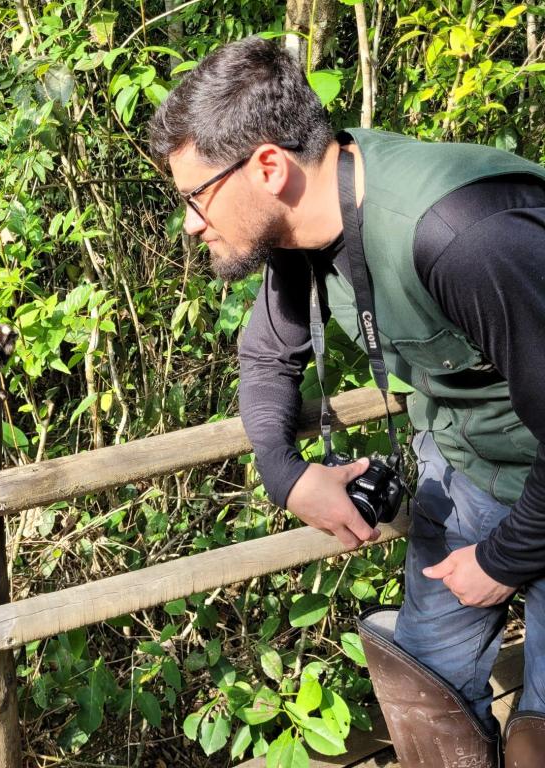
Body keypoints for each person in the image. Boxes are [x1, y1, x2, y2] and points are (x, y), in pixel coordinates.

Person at [148, 35, 545, 768]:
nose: (191, 223)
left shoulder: (462, 235)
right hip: (475, 467)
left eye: (195, 198)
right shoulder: (306, 229)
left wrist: (502, 561)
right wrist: (288, 474)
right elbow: (269, 352)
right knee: (422, 690)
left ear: (268, 167)